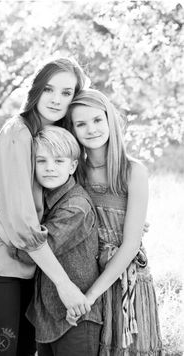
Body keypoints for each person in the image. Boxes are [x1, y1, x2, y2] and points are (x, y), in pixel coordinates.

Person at [0, 57, 91, 356]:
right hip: (1, 267)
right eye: (49, 88)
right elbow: (21, 222)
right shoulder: (18, 133)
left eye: (66, 93)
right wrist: (64, 284)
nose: (56, 99)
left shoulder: (52, 138)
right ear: (36, 89)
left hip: (33, 267)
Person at [65, 88, 163, 355]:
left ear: (110, 120)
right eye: (81, 123)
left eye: (97, 120)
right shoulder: (74, 173)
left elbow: (130, 244)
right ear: (71, 129)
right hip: (85, 273)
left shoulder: (133, 171)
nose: (91, 129)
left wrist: (91, 295)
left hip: (124, 277)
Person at [18, 125, 103, 356]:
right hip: (47, 315)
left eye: (58, 161)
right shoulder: (42, 199)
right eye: (41, 161)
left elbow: (28, 251)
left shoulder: (75, 207)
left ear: (73, 166)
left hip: (76, 316)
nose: (49, 168)